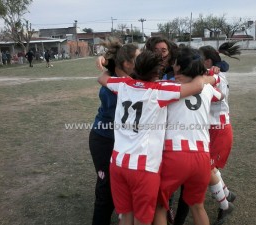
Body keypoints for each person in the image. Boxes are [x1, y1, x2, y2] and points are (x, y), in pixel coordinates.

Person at [97, 50, 207, 225]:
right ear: (158, 72)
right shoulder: (161, 89)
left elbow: (102, 79)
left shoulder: (124, 84)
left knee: (126, 216)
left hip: (117, 163)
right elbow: (198, 86)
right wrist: (205, 75)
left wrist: (107, 65)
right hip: (143, 168)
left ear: (136, 66)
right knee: (143, 219)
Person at [153, 46, 223, 225]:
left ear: (179, 68)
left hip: (175, 154)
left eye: (176, 65)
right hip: (201, 157)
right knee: (198, 206)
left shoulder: (168, 87)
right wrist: (210, 77)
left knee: (160, 206)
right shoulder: (207, 89)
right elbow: (220, 95)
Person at [173, 42, 241, 225]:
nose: (196, 64)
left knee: (207, 168)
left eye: (199, 60)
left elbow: (208, 81)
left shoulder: (216, 76)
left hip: (219, 129)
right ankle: (226, 194)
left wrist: (207, 73)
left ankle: (225, 205)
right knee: (209, 167)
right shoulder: (212, 72)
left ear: (208, 61)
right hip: (210, 129)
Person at [89, 37, 141, 225]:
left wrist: (104, 59)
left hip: (123, 140)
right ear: (126, 63)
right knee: (106, 189)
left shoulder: (129, 77)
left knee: (120, 186)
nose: (141, 62)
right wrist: (104, 60)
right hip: (103, 138)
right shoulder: (117, 82)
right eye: (138, 58)